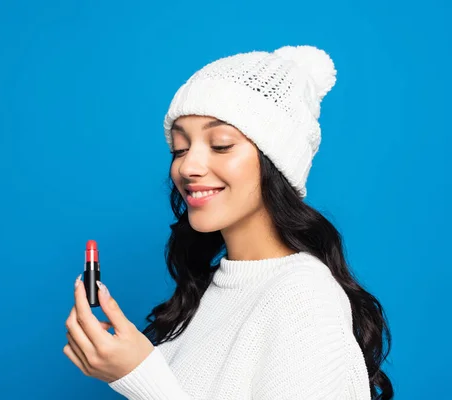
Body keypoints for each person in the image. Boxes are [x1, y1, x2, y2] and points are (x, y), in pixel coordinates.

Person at [63, 45, 393, 400]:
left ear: (277, 163)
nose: (187, 167)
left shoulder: (303, 298)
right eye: (179, 149)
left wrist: (140, 376)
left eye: (220, 145)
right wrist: (129, 361)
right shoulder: (215, 288)